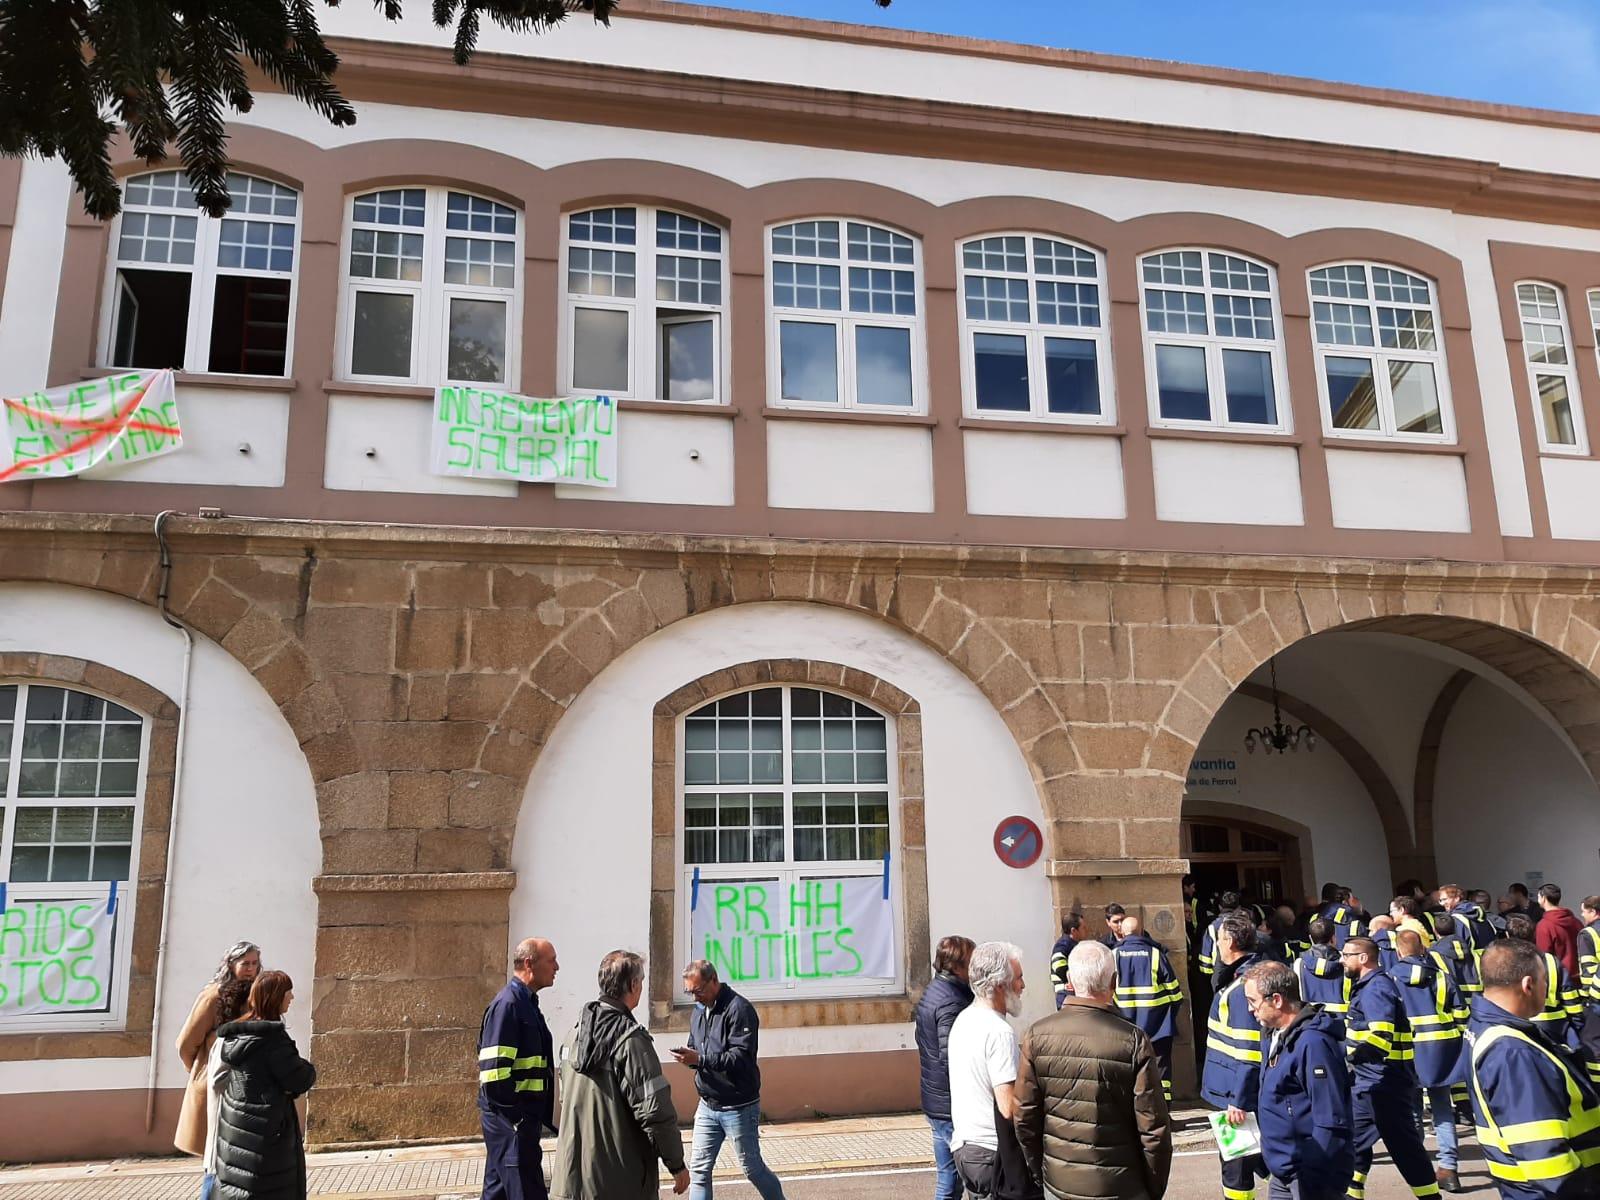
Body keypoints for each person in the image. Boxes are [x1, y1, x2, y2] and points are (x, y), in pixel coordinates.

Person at [1015, 940, 1172, 1200]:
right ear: (1114, 982)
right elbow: (1154, 1128)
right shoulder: (1133, 1040)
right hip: (1121, 1185)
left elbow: (1024, 1117)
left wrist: (1041, 1171)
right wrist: (1153, 1189)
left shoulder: (1036, 1035)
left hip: (1060, 1182)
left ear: (1069, 980)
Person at [1465, 939, 1600, 1199]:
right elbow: (1546, 1161)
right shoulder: (1513, 1052)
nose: (1547, 989)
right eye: (1545, 982)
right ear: (1528, 985)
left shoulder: (1487, 1026)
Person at [551, 950, 689, 1199]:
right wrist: (676, 1164)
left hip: (570, 1181)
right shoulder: (630, 1040)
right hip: (620, 1182)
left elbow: (566, 1101)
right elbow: (655, 1111)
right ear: (634, 985)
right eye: (642, 981)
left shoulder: (573, 1035)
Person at [673, 960, 785, 1200]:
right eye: (690, 992)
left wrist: (701, 1059)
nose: (695, 998)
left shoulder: (739, 1010)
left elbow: (740, 1058)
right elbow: (696, 1045)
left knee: (753, 1170)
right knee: (700, 1171)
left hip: (739, 1106)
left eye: (699, 991)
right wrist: (689, 1057)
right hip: (707, 1104)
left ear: (714, 980)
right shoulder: (699, 1011)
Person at [1244, 960, 1353, 1200]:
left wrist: (1312, 1176)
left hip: (1309, 1175)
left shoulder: (1313, 1044)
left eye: (1253, 1001)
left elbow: (1331, 1118)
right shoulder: (1274, 1036)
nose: (1250, 1009)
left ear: (1277, 1000)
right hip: (1284, 1171)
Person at [1340, 936, 1437, 1200]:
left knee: (1404, 1148)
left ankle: (1430, 1196)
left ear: (1363, 958)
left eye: (1346, 955)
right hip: (1369, 1082)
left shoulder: (1375, 988)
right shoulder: (1368, 986)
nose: (1341, 960)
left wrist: (1347, 1060)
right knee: (1353, 1141)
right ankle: (1352, 1192)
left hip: (1384, 1084)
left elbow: (1380, 1038)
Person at [213, 971, 315, 1200]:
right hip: (267, 1136)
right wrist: (307, 1069)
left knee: (238, 1186)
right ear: (276, 997)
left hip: (237, 1129)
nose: (292, 997)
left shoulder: (236, 1037)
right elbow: (300, 1078)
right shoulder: (272, 1041)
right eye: (288, 992)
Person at [948, 941, 1037, 1200]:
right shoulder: (999, 1032)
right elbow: (1008, 1106)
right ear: (1000, 985)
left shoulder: (964, 1019)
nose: (1023, 986)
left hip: (965, 1147)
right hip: (991, 1152)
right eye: (1018, 978)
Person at [478, 937, 559, 1200]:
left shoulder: (525, 1003)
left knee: (498, 1192)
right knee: (527, 1192)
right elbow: (493, 1074)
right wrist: (517, 1119)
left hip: (518, 1122)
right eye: (551, 960)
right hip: (512, 1123)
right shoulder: (509, 1005)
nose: (556, 967)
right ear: (529, 964)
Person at [1389, 930, 1468, 1194]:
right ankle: (1449, 1169)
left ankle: (1420, 1167)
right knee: (1443, 1109)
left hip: (1408, 1052)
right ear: (1423, 949)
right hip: (1441, 1053)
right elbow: (1461, 1014)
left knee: (1411, 1110)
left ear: (1399, 952)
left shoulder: (1390, 979)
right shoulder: (1442, 977)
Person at [1201, 910, 1267, 1200]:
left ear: (1229, 942)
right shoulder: (1238, 976)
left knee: (1236, 1166)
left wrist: (1238, 1100)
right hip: (1229, 1089)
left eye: (1218, 940)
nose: (1216, 946)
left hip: (1233, 1095)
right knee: (1250, 1161)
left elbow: (1248, 1050)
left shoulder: (1241, 988)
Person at [175, 941, 261, 1161]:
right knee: (214, 1158)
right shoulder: (213, 996)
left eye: (255, 963)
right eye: (245, 964)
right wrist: (198, 1070)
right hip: (216, 1081)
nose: (251, 969)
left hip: (246, 1083)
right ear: (231, 965)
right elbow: (186, 1042)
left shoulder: (256, 994)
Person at [915, 936, 976, 1200]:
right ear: (958, 966)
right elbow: (951, 1057)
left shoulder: (934, 990)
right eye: (971, 962)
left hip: (935, 1099)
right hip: (949, 1105)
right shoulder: (951, 1001)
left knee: (948, 1179)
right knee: (958, 1179)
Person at [1111, 915, 1183, 1103]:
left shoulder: (1112, 955)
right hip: (1158, 1026)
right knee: (1161, 1070)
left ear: (1122, 932)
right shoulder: (1156, 954)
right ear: (1141, 931)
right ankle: (1164, 1111)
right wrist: (1167, 1016)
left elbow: (1104, 993)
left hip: (1123, 1027)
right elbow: (1175, 994)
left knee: (1128, 1070)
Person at [1504, 914, 1583, 1051]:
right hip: (1555, 1029)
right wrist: (1576, 1025)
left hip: (1516, 1028)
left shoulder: (1502, 964)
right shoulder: (1551, 961)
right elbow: (1570, 999)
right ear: (1534, 934)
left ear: (1507, 935)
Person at [1294, 918, 1350, 1016]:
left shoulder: (1298, 964)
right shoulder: (1347, 963)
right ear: (1333, 938)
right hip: (1341, 1023)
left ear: (1310, 939)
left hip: (1310, 1022)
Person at [1576, 895, 1600, 1087]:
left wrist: (1588, 998)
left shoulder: (1587, 934)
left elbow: (1588, 971)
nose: (1582, 915)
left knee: (1591, 1043)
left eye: (1584, 910)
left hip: (1596, 999)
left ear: (1593, 911)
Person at [1534, 884, 1582, 979]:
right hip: (1579, 975)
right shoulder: (1575, 921)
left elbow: (1545, 956)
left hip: (1560, 978)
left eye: (1538, 896)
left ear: (1543, 898)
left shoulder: (1544, 925)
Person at [1198, 890, 1244, 978]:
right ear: (1238, 908)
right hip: (1242, 970)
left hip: (1220, 971)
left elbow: (1205, 960)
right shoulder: (1246, 924)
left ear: (1219, 907)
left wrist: (1211, 973)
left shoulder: (1212, 927)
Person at [1439, 884, 1495, 951]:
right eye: (1440, 900)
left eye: (1445, 899)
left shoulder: (1456, 919)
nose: (1442, 903)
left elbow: (1459, 947)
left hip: (1471, 959)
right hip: (1488, 955)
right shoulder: (1478, 913)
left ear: (1457, 898)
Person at [1049, 913, 1088, 1009]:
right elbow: (1058, 965)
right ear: (1073, 931)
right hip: (1066, 994)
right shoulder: (1063, 945)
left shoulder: (1073, 944)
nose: (1086, 930)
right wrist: (1072, 981)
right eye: (1083, 928)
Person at [1319, 885, 1366, 950]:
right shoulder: (1350, 917)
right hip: (1348, 955)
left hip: (1325, 955)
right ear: (1345, 902)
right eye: (1352, 899)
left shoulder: (1322, 915)